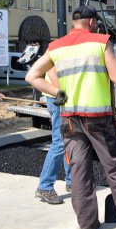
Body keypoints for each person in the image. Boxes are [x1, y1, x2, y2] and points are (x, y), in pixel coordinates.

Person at [25, 5, 116, 229]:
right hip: (99, 118)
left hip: (70, 118)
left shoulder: (57, 46)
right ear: (91, 22)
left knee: (78, 171)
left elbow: (32, 76)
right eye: (96, 22)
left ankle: (88, 225)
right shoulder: (100, 41)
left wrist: (56, 92)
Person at [34, 67, 72, 205]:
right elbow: (51, 69)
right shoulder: (57, 46)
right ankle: (45, 187)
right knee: (60, 141)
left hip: (64, 97)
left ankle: (72, 181)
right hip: (58, 98)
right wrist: (60, 91)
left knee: (69, 140)